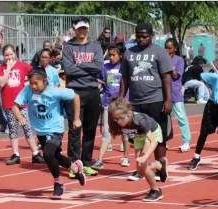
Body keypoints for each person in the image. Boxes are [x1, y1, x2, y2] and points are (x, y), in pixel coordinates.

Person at [12, 66, 86, 199]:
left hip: (55, 128)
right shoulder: (27, 90)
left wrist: (76, 118)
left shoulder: (54, 91)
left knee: (47, 154)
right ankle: (75, 168)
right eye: (31, 83)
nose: (33, 86)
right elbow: (15, 106)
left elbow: (76, 96)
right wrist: (20, 118)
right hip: (40, 131)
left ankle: (58, 182)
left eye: (36, 83)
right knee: (55, 156)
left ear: (44, 81)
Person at [119, 22, 173, 181]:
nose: (141, 39)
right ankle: (141, 168)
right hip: (135, 102)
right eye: (139, 37)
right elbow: (125, 78)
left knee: (159, 135)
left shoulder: (159, 52)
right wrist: (122, 98)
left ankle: (160, 165)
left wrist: (168, 100)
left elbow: (166, 77)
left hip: (156, 100)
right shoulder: (129, 53)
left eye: (145, 37)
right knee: (138, 135)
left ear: (151, 36)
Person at [62, 16, 104, 178]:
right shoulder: (68, 47)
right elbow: (69, 70)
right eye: (79, 28)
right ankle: (74, 164)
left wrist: (79, 65)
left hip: (93, 91)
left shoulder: (96, 46)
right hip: (74, 92)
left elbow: (98, 67)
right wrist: (88, 67)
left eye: (84, 28)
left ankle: (86, 163)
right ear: (74, 29)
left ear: (88, 29)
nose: (82, 31)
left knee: (90, 130)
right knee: (74, 130)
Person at [108, 97, 168, 202]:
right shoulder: (117, 123)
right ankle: (159, 165)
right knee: (140, 170)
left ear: (129, 114)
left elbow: (153, 141)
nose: (119, 121)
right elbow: (125, 136)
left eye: (121, 118)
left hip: (152, 133)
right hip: (138, 136)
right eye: (116, 119)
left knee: (142, 163)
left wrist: (144, 156)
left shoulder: (140, 120)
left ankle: (155, 190)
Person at [0, 44, 45, 165]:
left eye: (11, 54)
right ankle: (15, 154)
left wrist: (30, 85)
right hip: (8, 103)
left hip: (22, 103)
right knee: (13, 128)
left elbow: (35, 74)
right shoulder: (0, 68)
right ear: (3, 56)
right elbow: (1, 83)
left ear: (15, 54)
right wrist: (8, 68)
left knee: (27, 127)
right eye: (6, 55)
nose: (9, 57)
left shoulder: (23, 65)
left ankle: (35, 153)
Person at [91, 43, 131, 169]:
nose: (111, 57)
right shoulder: (105, 67)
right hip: (109, 103)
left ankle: (125, 157)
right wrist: (102, 84)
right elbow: (98, 78)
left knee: (125, 132)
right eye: (109, 54)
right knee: (106, 133)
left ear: (121, 55)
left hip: (123, 105)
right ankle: (100, 159)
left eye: (114, 55)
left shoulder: (125, 67)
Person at [165, 38, 192, 152]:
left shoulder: (179, 60)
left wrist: (170, 68)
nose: (167, 50)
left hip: (175, 93)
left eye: (169, 48)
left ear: (175, 48)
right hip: (163, 93)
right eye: (165, 47)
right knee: (163, 118)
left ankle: (186, 141)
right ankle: (163, 141)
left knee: (181, 117)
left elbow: (176, 76)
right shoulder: (161, 59)